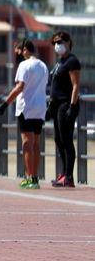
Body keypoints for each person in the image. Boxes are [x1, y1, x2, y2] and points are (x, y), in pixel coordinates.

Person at [0, 39, 48, 189]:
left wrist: (5, 104)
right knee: (36, 143)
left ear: (25, 50)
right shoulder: (43, 66)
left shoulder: (24, 65)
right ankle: (35, 178)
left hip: (26, 108)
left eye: (19, 51)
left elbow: (20, 87)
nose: (17, 54)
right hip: (40, 108)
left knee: (26, 143)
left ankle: (29, 178)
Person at [47, 31, 81, 188]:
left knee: (66, 140)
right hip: (56, 106)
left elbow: (75, 86)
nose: (57, 45)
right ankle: (63, 173)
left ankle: (69, 177)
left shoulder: (72, 61)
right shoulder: (60, 62)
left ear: (68, 42)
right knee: (58, 140)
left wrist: (72, 107)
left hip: (65, 105)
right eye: (54, 42)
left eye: (59, 41)